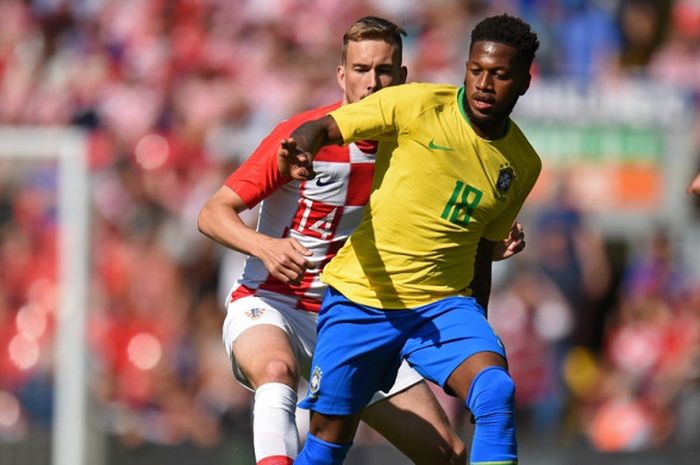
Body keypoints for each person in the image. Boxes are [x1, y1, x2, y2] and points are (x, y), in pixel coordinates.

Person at [198, 16, 527, 465]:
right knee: (277, 373)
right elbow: (212, 213)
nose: (372, 83)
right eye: (360, 70)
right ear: (341, 75)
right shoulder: (304, 137)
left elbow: (439, 234)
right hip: (276, 302)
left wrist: (488, 247)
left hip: (367, 312)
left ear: (402, 78)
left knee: (448, 454)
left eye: (384, 71)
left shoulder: (418, 138)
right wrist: (265, 246)